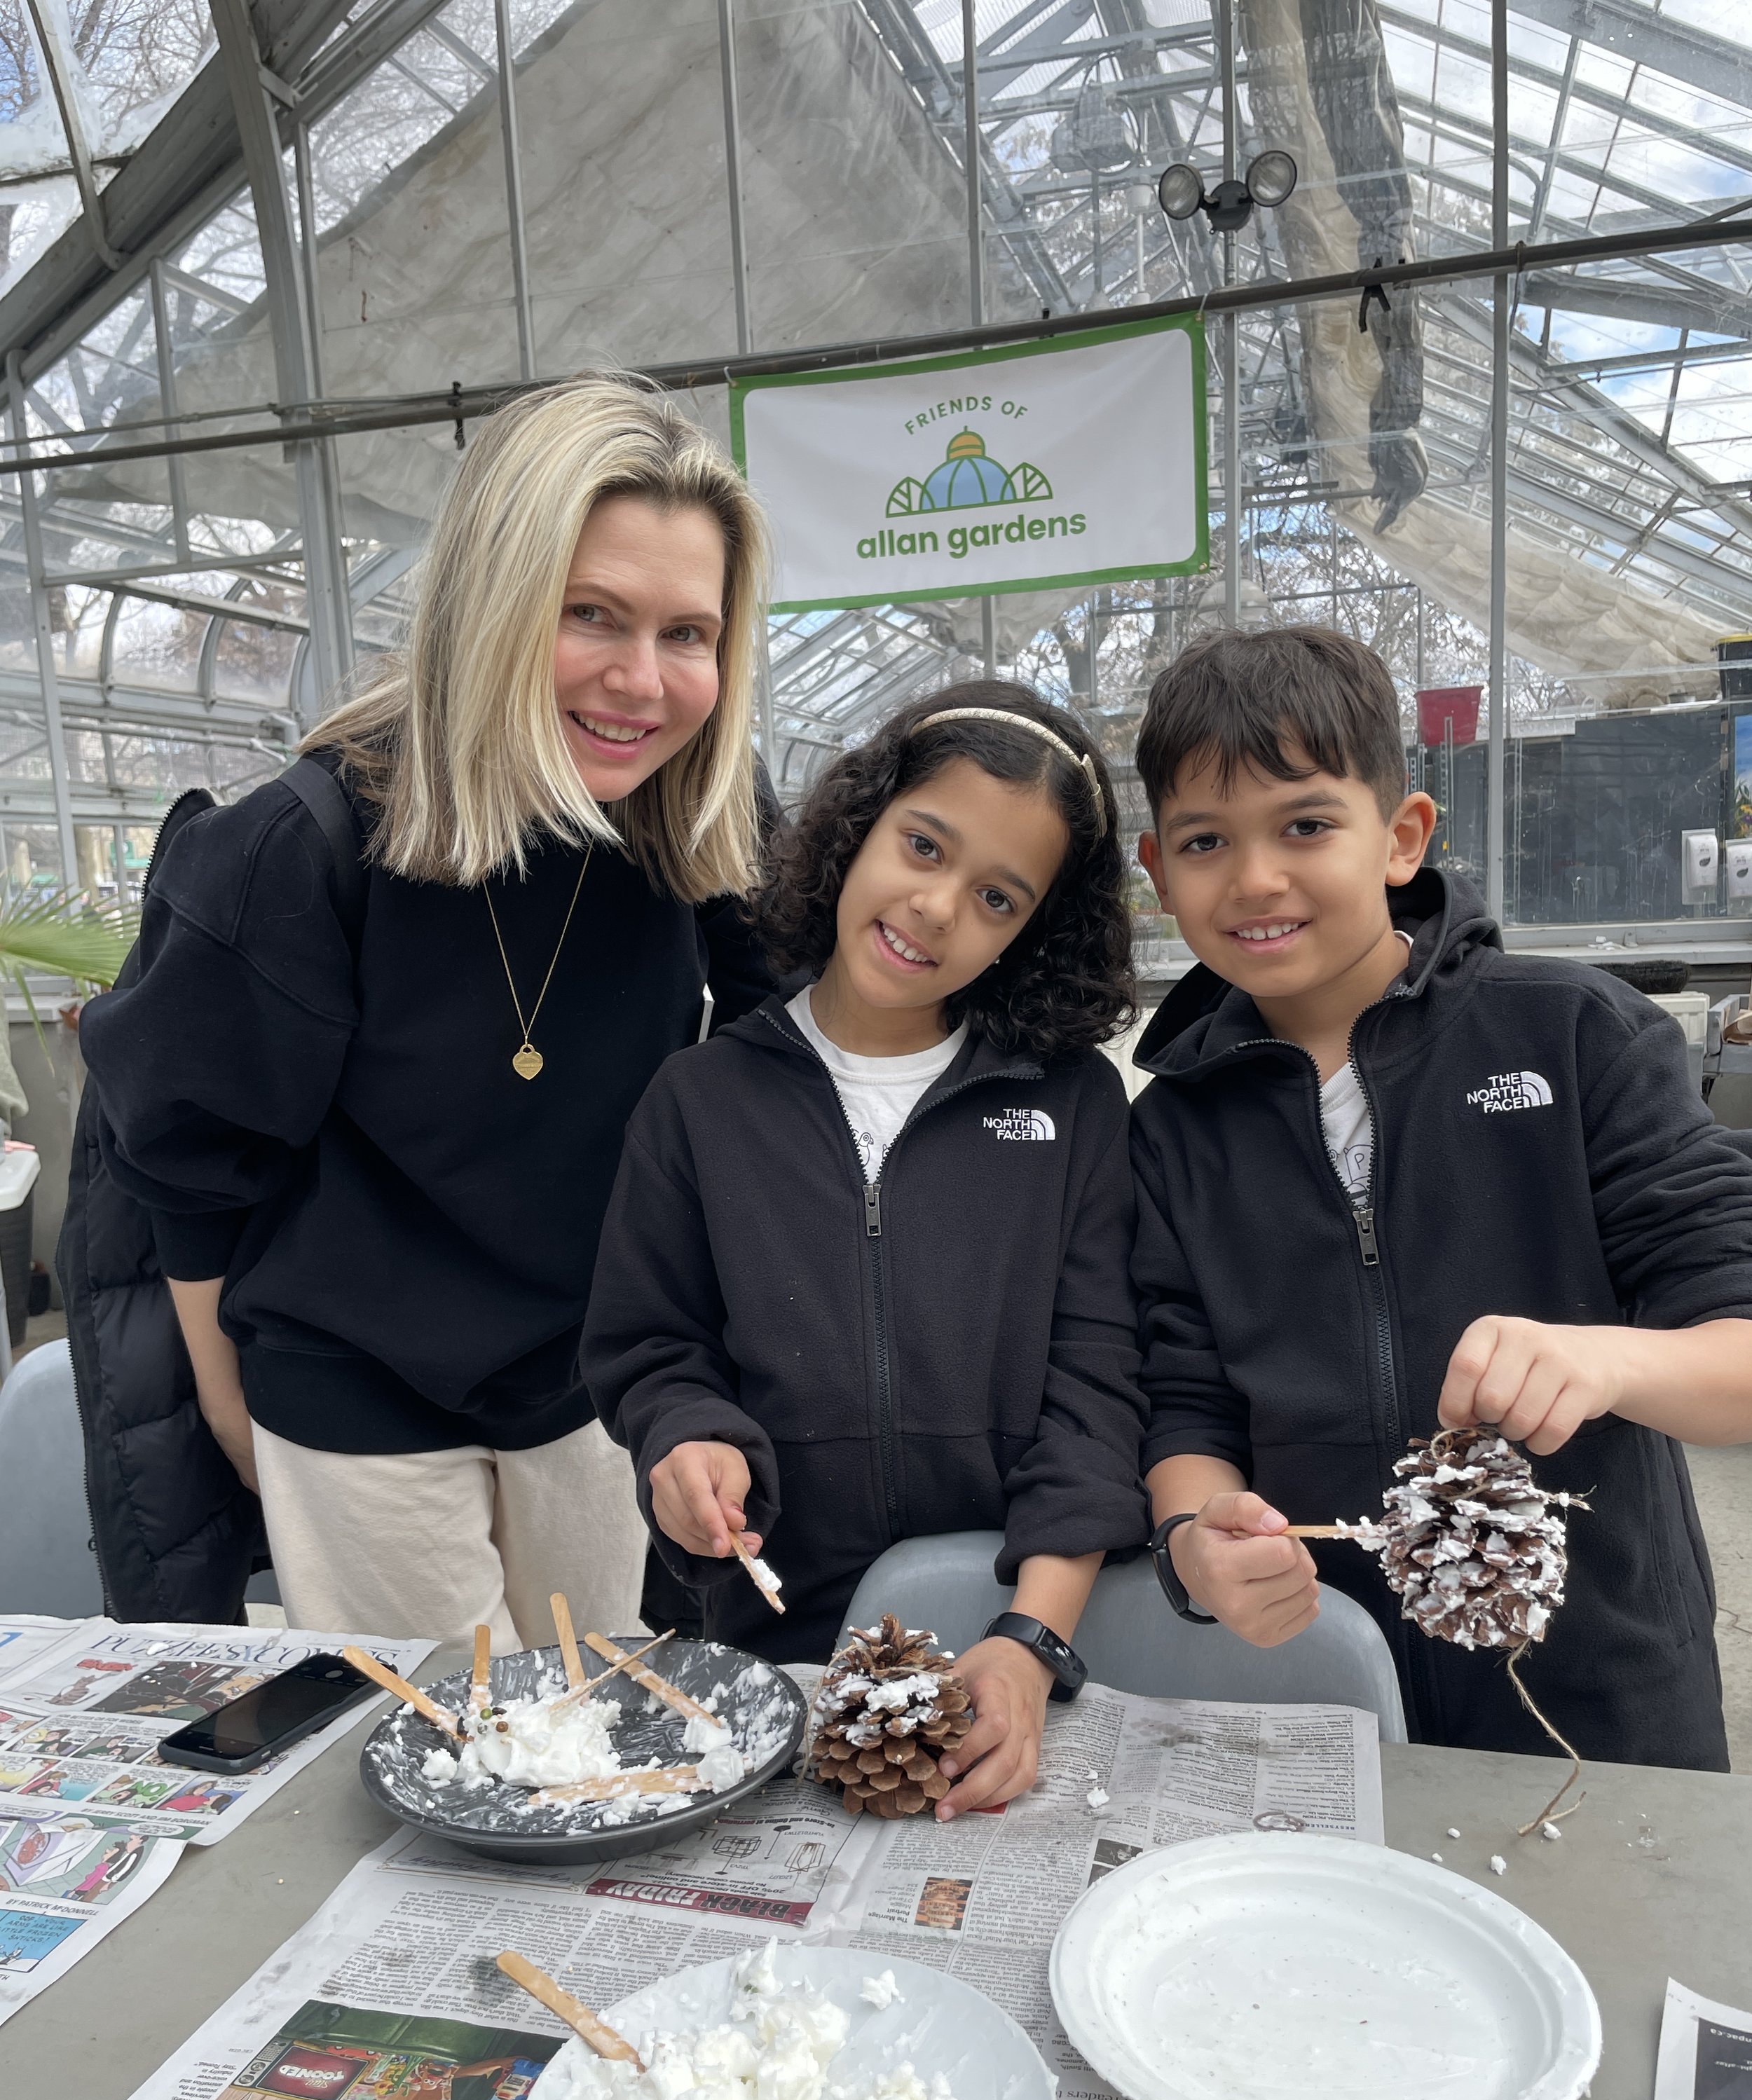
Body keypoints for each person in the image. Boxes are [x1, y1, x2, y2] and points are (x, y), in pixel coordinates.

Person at [76, 377, 775, 1652]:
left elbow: (805, 1024)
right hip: (351, 1381)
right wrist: (235, 1416)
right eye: (592, 616)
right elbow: (183, 1158)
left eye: (690, 634)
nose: (642, 682)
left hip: (587, 1375)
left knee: (594, 1724)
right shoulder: (298, 849)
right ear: (496, 603)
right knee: (448, 1752)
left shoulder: (696, 824)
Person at [1128, 624, 1752, 1768]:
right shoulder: (1170, 1128)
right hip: (1318, 1697)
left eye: (1306, 824)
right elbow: (1185, 1400)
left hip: (1601, 1702)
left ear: (1402, 837)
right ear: (1159, 874)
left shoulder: (1575, 1037)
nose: (1256, 876)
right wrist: (1193, 1535)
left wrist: (1611, 1361)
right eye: (1206, 840)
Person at [582, 680, 1148, 1818]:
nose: (938, 907)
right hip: (763, 1646)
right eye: (922, 845)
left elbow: (1098, 1389)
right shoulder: (702, 1095)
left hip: (1006, 1643)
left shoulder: (1075, 1102)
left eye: (997, 896)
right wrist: (688, 1440)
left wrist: (1031, 1640)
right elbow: (651, 1344)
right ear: (857, 828)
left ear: (1034, 930)